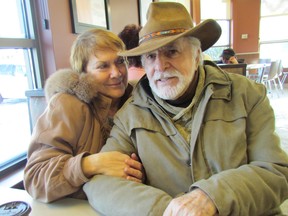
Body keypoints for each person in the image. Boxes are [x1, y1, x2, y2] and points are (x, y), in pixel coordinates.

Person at [84, 2, 288, 216]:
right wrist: (170, 210)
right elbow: (100, 185)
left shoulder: (246, 95)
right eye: (151, 57)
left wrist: (212, 197)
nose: (160, 66)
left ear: (197, 54)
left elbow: (276, 172)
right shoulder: (130, 115)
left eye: (171, 52)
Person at [23, 28, 143, 203]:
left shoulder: (138, 101)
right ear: (84, 72)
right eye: (103, 66)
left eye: (120, 62)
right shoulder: (67, 105)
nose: (116, 73)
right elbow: (36, 177)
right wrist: (91, 164)